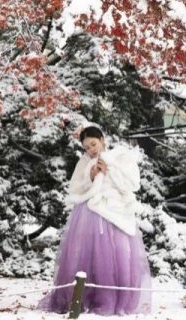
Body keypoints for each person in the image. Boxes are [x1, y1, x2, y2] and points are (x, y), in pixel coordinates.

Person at [38, 126, 152, 316]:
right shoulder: (84, 162)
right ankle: (88, 298)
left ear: (102, 139)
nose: (91, 149)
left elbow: (132, 184)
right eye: (87, 147)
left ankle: (118, 301)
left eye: (93, 143)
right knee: (92, 255)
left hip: (116, 211)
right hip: (91, 212)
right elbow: (74, 189)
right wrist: (90, 176)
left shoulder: (120, 156)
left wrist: (109, 170)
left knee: (120, 255)